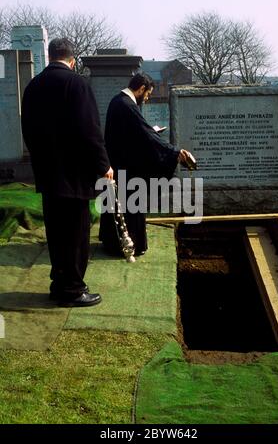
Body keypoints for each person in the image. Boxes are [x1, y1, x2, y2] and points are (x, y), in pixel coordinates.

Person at [21, 38, 113, 307]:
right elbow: (90, 131)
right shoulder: (77, 84)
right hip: (74, 176)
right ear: (72, 60)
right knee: (75, 236)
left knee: (57, 234)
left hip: (48, 174)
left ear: (50, 57)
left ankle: (59, 283)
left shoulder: (33, 86)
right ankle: (72, 289)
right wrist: (103, 165)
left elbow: (28, 130)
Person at [99, 72, 191, 256]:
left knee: (118, 207)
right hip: (127, 167)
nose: (147, 98)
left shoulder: (118, 101)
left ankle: (112, 243)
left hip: (119, 163)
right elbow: (146, 134)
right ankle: (129, 245)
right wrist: (174, 152)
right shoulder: (128, 105)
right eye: (147, 94)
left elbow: (136, 134)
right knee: (129, 207)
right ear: (141, 89)